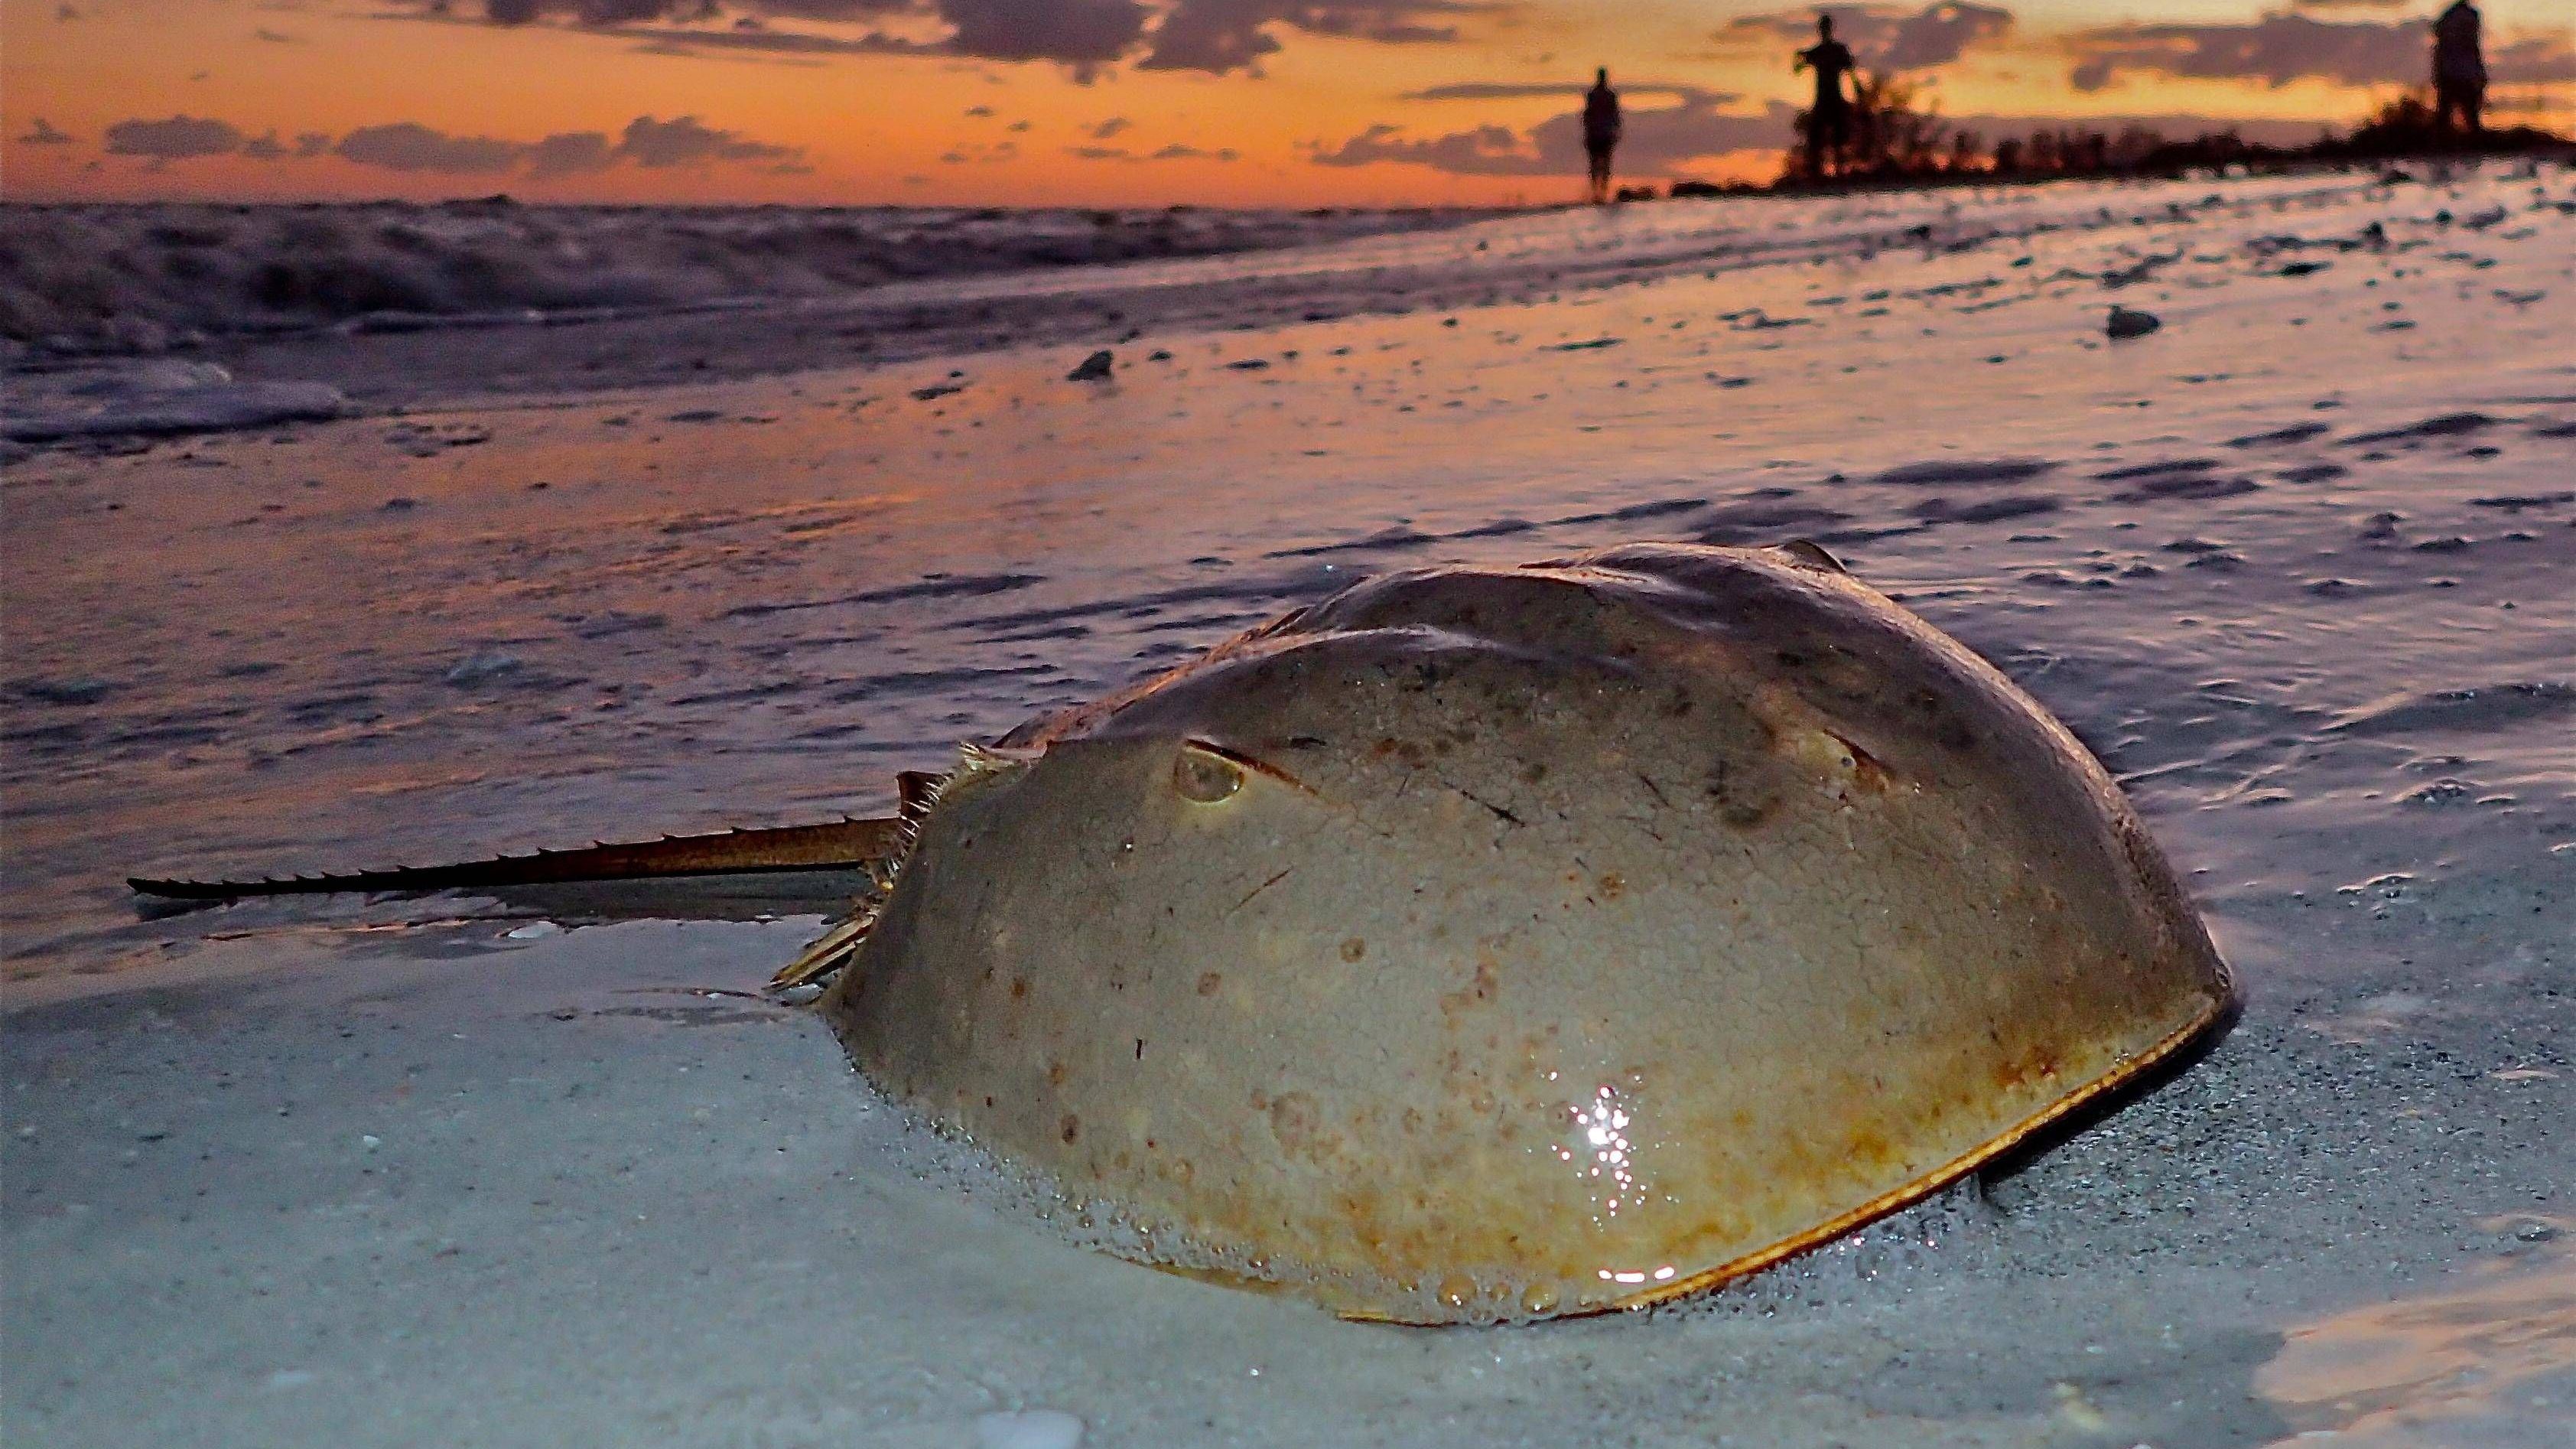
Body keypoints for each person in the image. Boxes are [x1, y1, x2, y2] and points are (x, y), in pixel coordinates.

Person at [1794, 15, 1857, 180]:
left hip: (1834, 99)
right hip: (1822, 101)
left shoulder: (1835, 51)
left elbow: (1850, 70)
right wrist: (1800, 57)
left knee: (1838, 139)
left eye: (1826, 28)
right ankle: (1818, 174)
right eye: (1823, 28)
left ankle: (1839, 173)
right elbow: (1798, 69)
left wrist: (1858, 88)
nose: (1825, 31)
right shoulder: (1819, 52)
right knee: (1816, 139)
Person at [2432, 0, 2485, 135]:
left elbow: (2473, 48)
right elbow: (2474, 48)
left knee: (2448, 116)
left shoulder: (2449, 16)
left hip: (2453, 73)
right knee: (2469, 117)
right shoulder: (2468, 16)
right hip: (2459, 74)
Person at [1582, 67, 1622, 204]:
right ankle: (1600, 193)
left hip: (1597, 133)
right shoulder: (1608, 96)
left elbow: (1587, 115)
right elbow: (1615, 116)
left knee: (1596, 164)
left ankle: (1598, 193)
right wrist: (1616, 130)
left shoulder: (1593, 95)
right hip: (1603, 133)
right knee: (1603, 163)